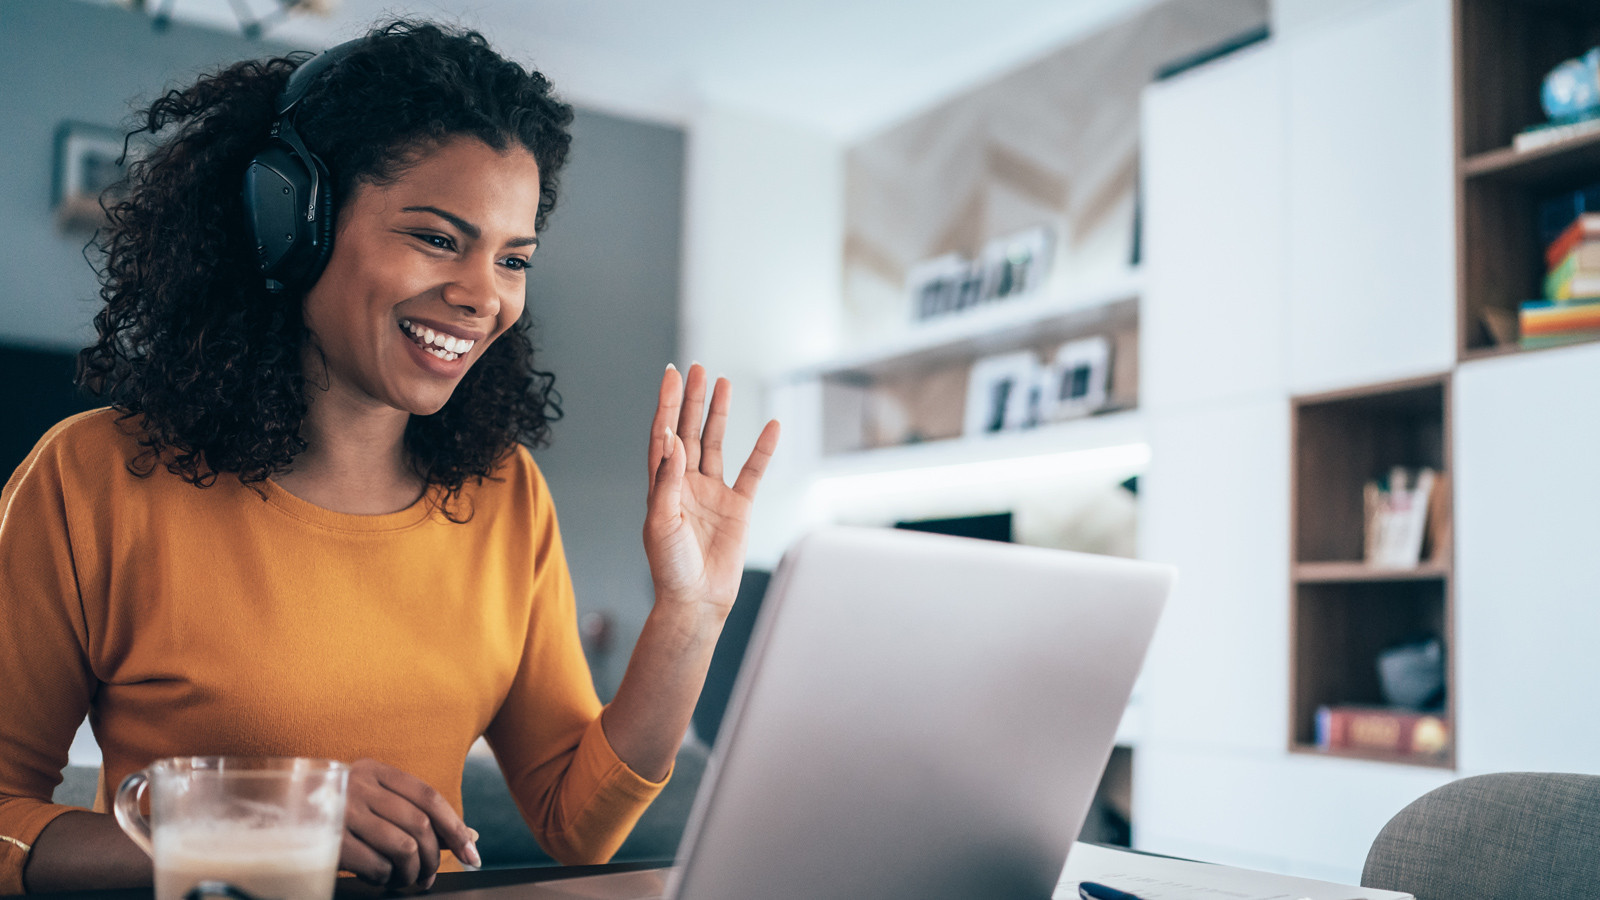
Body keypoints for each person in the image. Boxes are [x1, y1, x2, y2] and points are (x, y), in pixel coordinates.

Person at [0, 20, 778, 895]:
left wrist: (691, 612)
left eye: (513, 258)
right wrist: (252, 831)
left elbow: (579, 825)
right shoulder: (91, 479)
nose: (484, 295)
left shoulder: (504, 495)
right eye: (439, 238)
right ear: (291, 222)